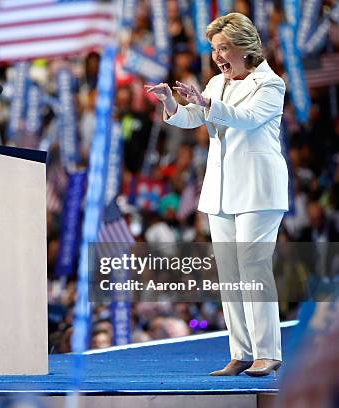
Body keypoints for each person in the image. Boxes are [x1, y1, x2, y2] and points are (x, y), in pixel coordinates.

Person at [145, 13, 287, 377]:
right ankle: (241, 352)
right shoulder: (216, 83)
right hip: (222, 190)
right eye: (214, 50)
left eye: (224, 48)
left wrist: (207, 105)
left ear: (246, 48)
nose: (218, 56)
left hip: (258, 188)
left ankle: (267, 353)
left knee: (253, 267)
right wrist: (172, 105)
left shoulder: (270, 84)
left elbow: (248, 117)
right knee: (229, 273)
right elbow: (195, 117)